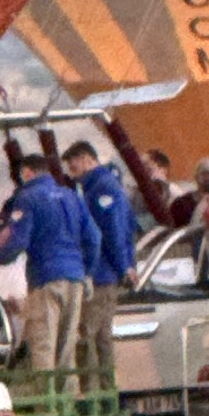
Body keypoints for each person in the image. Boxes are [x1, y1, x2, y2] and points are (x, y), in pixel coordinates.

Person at [0, 149, 90, 390]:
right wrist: (86, 271)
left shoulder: (28, 197)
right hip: (75, 278)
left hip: (46, 278)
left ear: (27, 173)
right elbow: (92, 236)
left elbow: (17, 241)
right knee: (67, 347)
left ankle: (48, 407)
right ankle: (70, 403)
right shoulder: (71, 196)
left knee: (43, 344)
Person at [66, 139, 136, 402]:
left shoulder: (102, 189)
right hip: (103, 271)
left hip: (103, 273)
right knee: (100, 336)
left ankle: (94, 394)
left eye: (75, 167)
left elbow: (114, 232)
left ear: (87, 159)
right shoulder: (96, 187)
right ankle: (105, 393)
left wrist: (123, 266)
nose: (74, 173)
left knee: (90, 334)